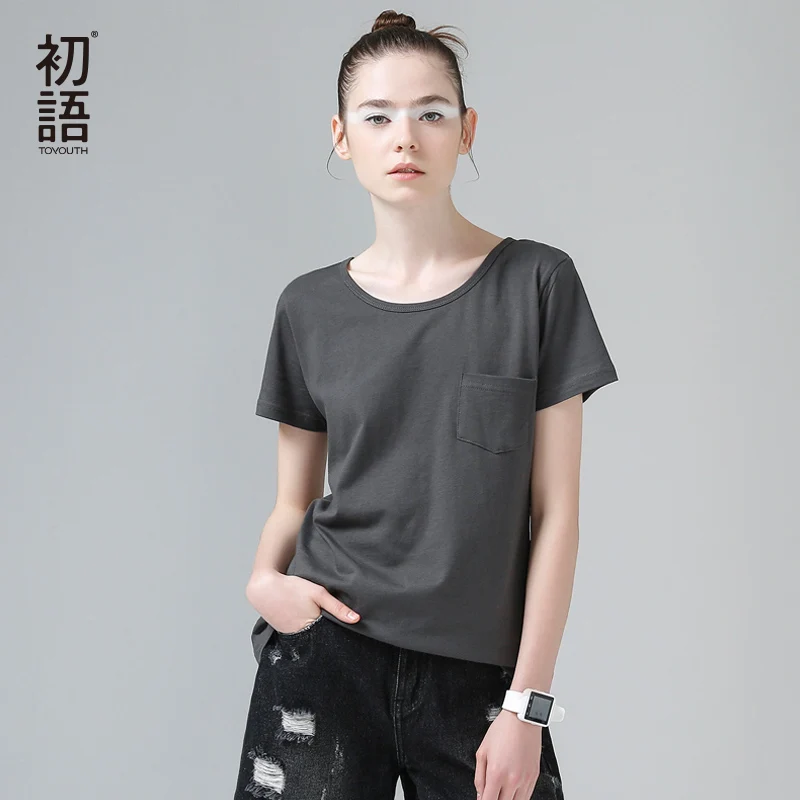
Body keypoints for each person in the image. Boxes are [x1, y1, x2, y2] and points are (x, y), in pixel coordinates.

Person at [233, 9, 619, 800]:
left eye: (431, 114)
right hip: (326, 657)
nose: (404, 138)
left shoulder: (537, 284)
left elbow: (557, 516)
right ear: (342, 137)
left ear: (467, 129)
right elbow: (292, 502)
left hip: (480, 681)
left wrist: (527, 705)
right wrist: (263, 582)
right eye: (377, 117)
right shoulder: (308, 307)